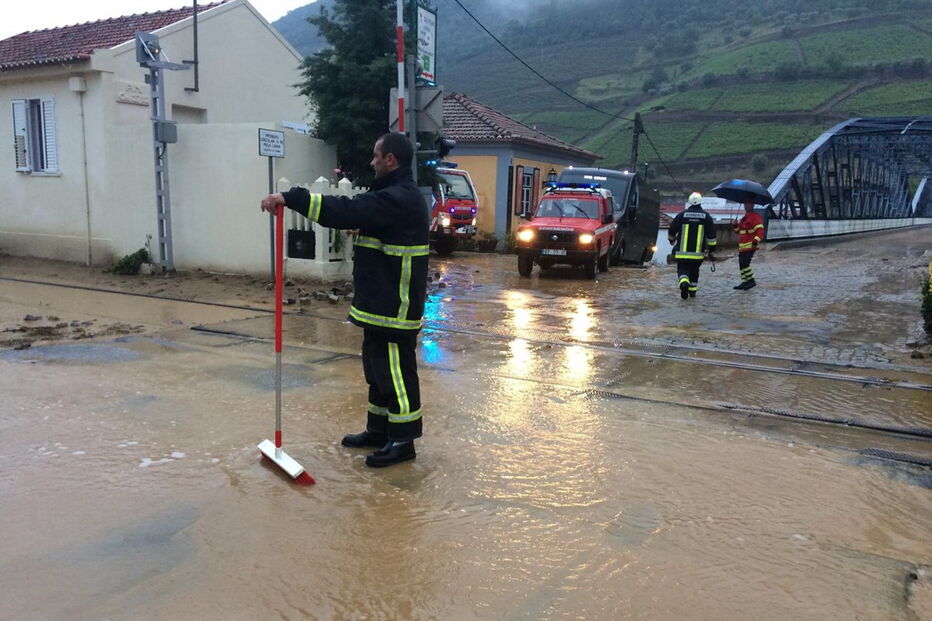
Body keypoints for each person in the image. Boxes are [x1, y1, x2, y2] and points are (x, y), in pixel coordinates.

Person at [260, 133, 428, 468]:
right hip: (380, 304)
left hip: (395, 307)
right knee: (377, 371)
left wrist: (291, 198)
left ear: (390, 159)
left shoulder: (400, 198)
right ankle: (379, 431)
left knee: (395, 372)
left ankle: (403, 440)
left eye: (375, 155)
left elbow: (346, 210)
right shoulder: (391, 194)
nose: (372, 161)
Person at [668, 192, 717, 299]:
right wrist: (712, 249)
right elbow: (712, 236)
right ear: (700, 202)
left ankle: (684, 283)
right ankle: (692, 292)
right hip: (698, 254)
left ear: (690, 202)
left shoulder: (682, 215)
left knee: (683, 270)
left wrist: (671, 240)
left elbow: (672, 229)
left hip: (682, 254)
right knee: (694, 272)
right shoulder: (706, 217)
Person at [733, 200, 764, 290]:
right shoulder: (744, 218)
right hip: (743, 245)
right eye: (745, 204)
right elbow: (738, 231)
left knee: (745, 263)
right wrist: (735, 225)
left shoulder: (755, 217)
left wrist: (756, 240)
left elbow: (760, 231)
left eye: (748, 204)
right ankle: (745, 281)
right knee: (742, 264)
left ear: (752, 205)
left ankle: (751, 281)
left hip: (750, 244)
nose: (746, 206)